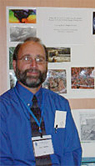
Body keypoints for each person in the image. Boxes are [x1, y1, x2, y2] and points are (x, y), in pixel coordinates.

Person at [0, 37, 82, 165]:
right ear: (15, 65)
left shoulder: (61, 105)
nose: (34, 65)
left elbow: (71, 152)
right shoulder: (3, 109)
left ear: (46, 66)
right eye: (27, 58)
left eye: (40, 59)